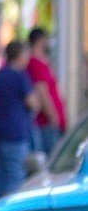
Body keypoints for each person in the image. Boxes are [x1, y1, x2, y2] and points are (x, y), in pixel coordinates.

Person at [0, 40, 40, 200]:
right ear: (20, 55)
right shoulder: (20, 76)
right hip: (14, 132)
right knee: (15, 177)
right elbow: (32, 102)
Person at [26, 27, 66, 155]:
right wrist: (53, 117)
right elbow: (41, 91)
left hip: (51, 121)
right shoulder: (35, 62)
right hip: (46, 122)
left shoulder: (43, 62)